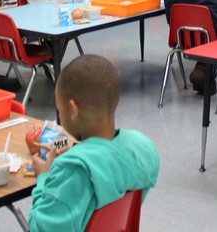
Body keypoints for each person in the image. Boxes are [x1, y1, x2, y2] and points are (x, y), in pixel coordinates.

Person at [29, 55, 160, 232]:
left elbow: (42, 229)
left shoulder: (73, 170)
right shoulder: (142, 148)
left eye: (60, 111)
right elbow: (106, 160)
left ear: (73, 110)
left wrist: (43, 178)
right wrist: (79, 150)